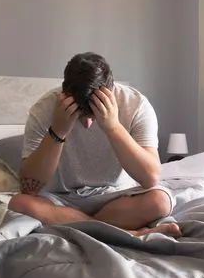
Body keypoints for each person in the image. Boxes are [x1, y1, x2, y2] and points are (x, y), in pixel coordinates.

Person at [9, 52, 181, 237]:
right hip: (62, 199)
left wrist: (113, 127)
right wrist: (57, 132)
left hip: (116, 198)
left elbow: (150, 178)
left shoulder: (136, 105)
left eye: (94, 115)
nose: (88, 124)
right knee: (20, 203)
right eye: (80, 115)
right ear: (65, 94)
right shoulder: (44, 109)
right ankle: (130, 233)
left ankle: (80, 226)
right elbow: (29, 188)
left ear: (111, 91)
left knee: (159, 202)